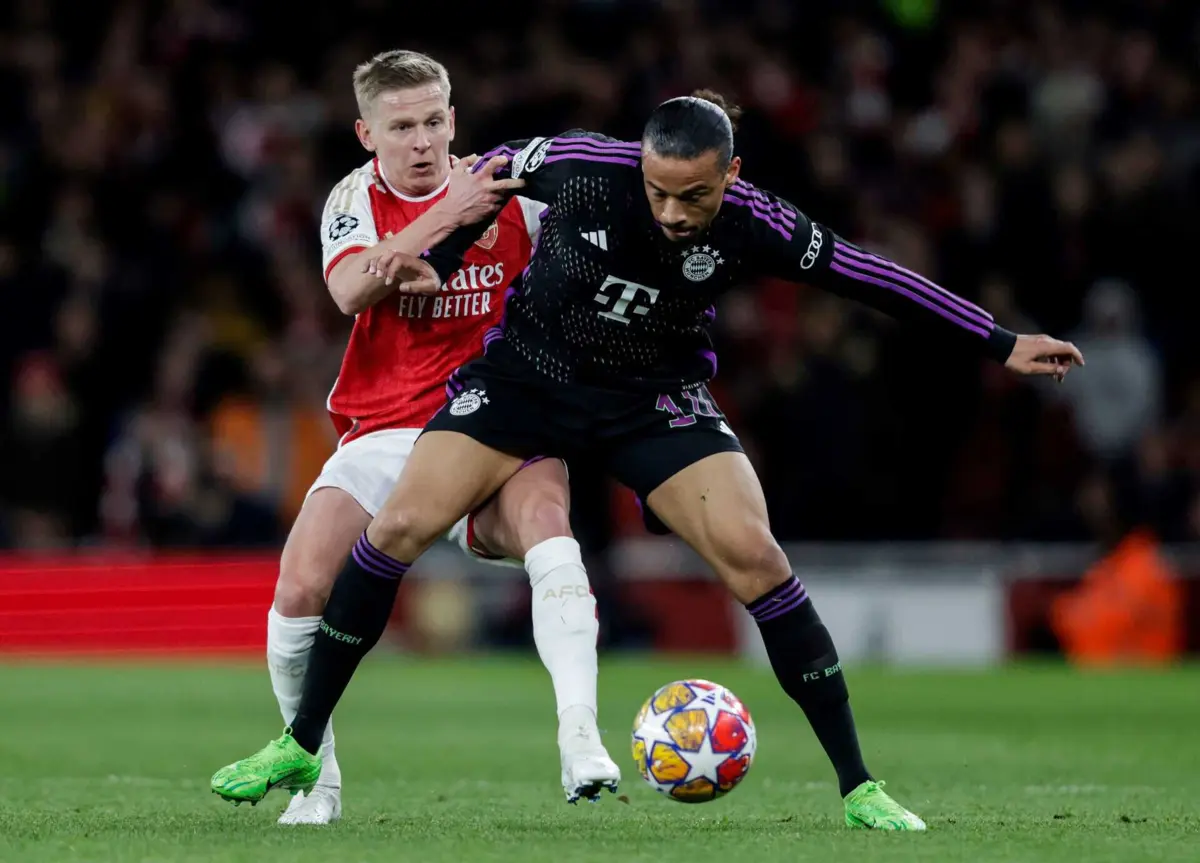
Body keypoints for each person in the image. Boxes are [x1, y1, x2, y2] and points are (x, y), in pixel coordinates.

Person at [212, 90, 1084, 830]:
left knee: (758, 558)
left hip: (652, 399)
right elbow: (488, 174)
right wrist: (433, 258)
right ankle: (299, 741)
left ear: (730, 177)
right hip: (529, 380)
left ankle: (860, 785)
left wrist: (999, 340)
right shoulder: (585, 165)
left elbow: (869, 275)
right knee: (397, 524)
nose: (672, 212)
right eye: (661, 193)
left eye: (693, 197)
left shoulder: (756, 223)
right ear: (641, 168)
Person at [240, 50, 619, 825]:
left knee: (550, 525)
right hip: (385, 428)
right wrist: (446, 217)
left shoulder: (518, 195)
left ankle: (581, 736)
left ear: (454, 118)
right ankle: (319, 778)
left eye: (435, 122)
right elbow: (349, 289)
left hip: (492, 420)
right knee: (300, 586)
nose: (422, 141)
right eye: (402, 126)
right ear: (366, 133)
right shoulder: (353, 199)